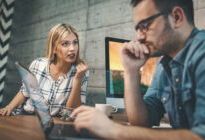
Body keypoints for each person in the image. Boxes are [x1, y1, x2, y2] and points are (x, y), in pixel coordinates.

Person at [71, 0, 205, 139]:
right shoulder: (165, 65)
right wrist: (131, 71)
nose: (139, 37)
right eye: (138, 29)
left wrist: (115, 130)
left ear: (177, 17)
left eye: (145, 26)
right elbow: (141, 122)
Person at [0, 23, 89, 116]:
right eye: (65, 44)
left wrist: (78, 79)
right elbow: (25, 92)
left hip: (54, 124)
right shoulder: (38, 64)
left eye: (75, 42)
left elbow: (70, 112)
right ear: (54, 48)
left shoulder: (82, 72)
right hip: (27, 116)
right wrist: (9, 107)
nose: (72, 48)